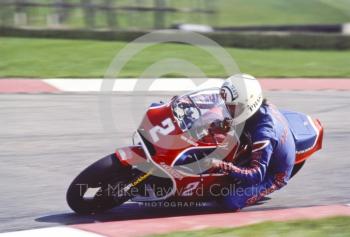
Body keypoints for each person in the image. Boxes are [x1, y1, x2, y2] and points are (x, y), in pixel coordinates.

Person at [210, 73, 296, 211]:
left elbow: (256, 174)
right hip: (263, 143)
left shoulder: (263, 133)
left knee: (229, 201)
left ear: (248, 105)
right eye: (228, 105)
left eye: (232, 106)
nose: (227, 109)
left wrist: (222, 166)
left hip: (272, 173)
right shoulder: (251, 111)